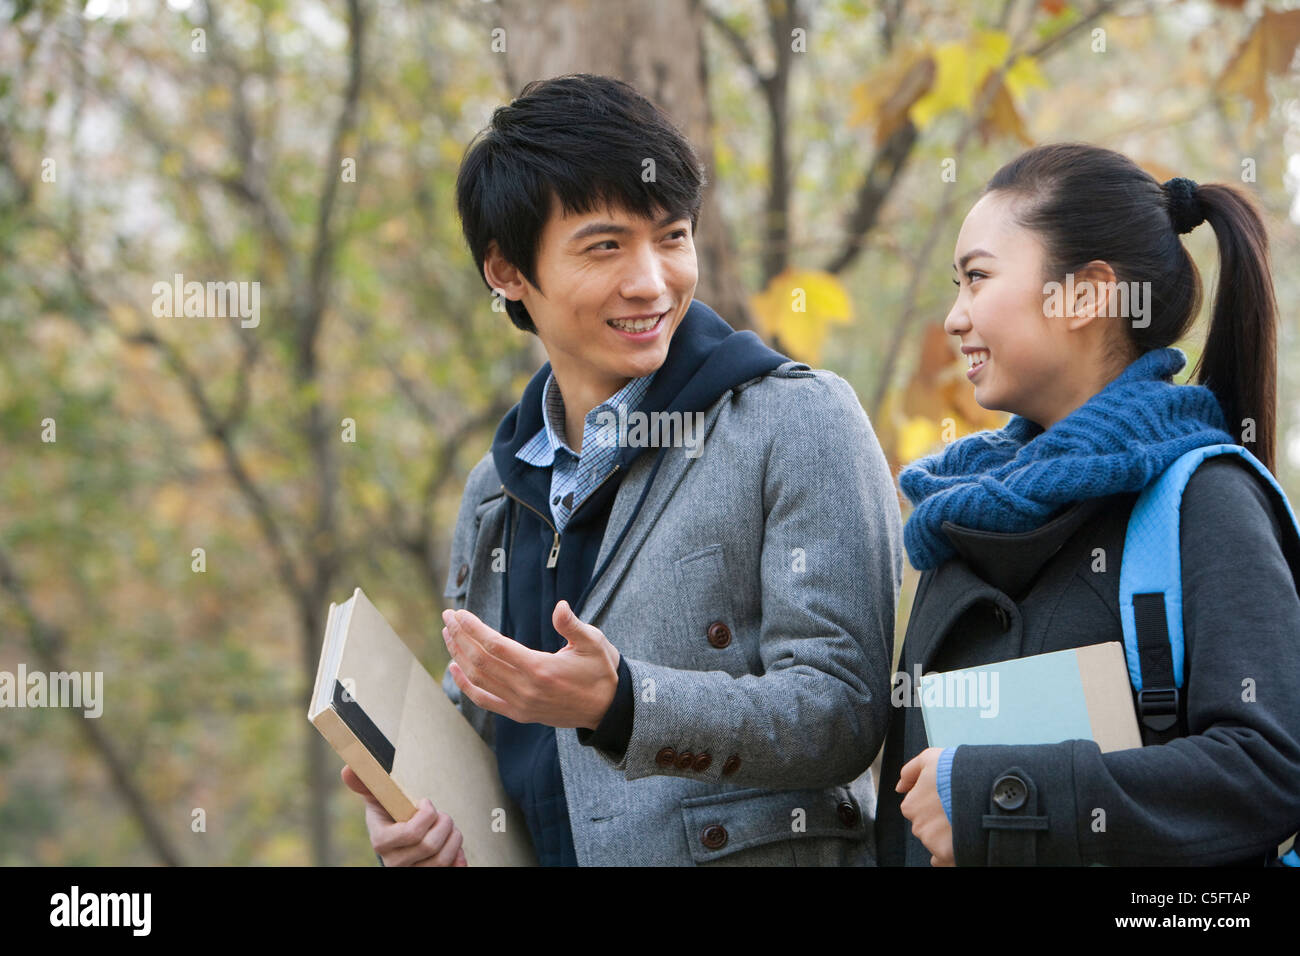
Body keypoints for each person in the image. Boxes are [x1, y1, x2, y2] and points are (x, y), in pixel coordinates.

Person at [343, 73, 903, 866]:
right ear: (506, 272)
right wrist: (416, 823)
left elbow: (843, 712)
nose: (652, 280)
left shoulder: (799, 421)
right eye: (605, 246)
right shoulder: (494, 493)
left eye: (672, 237)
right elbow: (479, 725)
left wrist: (624, 705)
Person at [874, 141, 1300, 866]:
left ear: (1088, 293)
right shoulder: (956, 517)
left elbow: (1270, 769)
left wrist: (997, 797)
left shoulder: (1205, 499)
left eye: (977, 278)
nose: (953, 317)